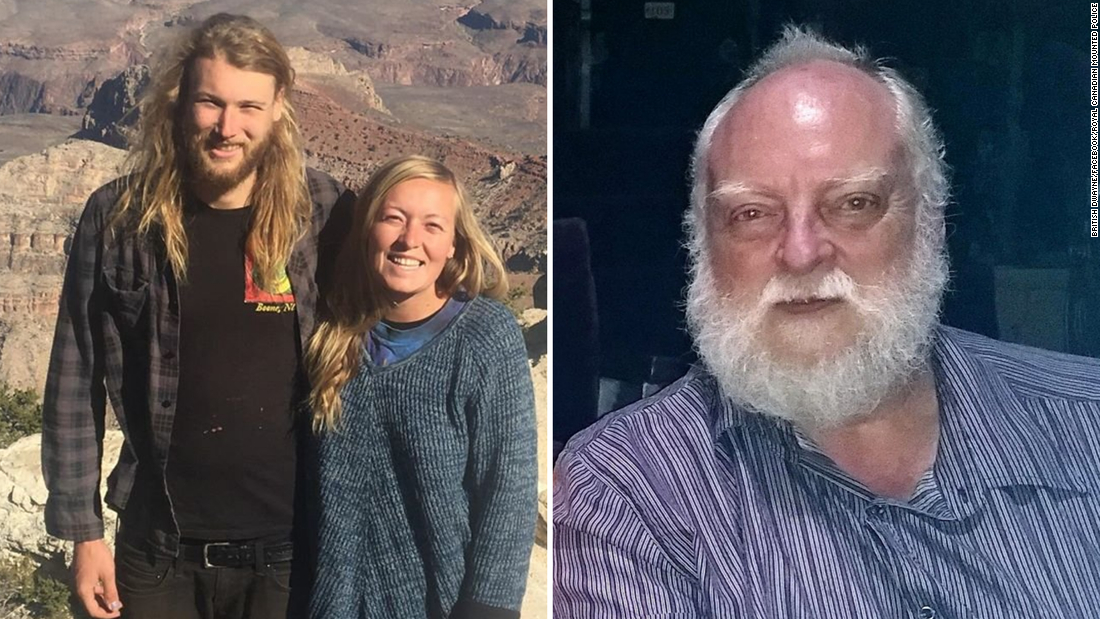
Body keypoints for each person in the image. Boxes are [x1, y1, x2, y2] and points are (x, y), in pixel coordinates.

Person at [553, 26, 1100, 617]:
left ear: (931, 223)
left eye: (854, 204)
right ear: (703, 246)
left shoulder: (1085, 423)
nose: (801, 252)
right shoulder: (627, 494)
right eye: (753, 213)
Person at [41, 13, 354, 619]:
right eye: (210, 102)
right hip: (157, 553)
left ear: (278, 107)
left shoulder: (320, 210)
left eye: (248, 107)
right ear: (180, 99)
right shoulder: (119, 218)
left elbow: (385, 321)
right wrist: (84, 533)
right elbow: (74, 377)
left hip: (290, 553)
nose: (227, 127)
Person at [305, 155, 537, 619]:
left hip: (440, 604)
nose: (410, 240)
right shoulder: (332, 330)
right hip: (329, 603)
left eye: (433, 225)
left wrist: (487, 610)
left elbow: (507, 491)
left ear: (453, 243)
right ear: (368, 228)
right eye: (394, 218)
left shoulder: (484, 338)